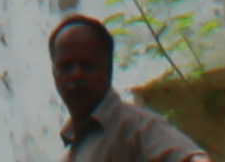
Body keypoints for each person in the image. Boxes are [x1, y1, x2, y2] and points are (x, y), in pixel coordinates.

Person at [45, 13, 200, 162]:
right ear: (54, 74)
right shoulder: (78, 144)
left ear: (108, 69)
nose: (76, 74)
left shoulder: (135, 126)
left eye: (87, 65)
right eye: (66, 67)